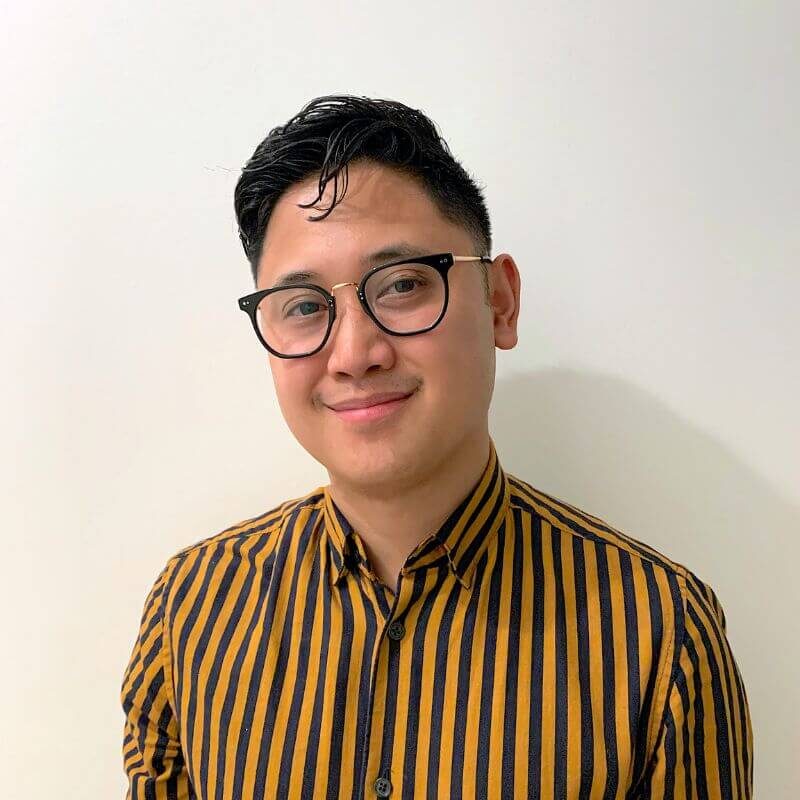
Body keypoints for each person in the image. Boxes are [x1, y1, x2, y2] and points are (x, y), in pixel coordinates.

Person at [120, 94, 753, 799]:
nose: (354, 353)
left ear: (499, 302)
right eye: (303, 305)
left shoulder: (658, 633)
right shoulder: (194, 609)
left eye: (402, 284)